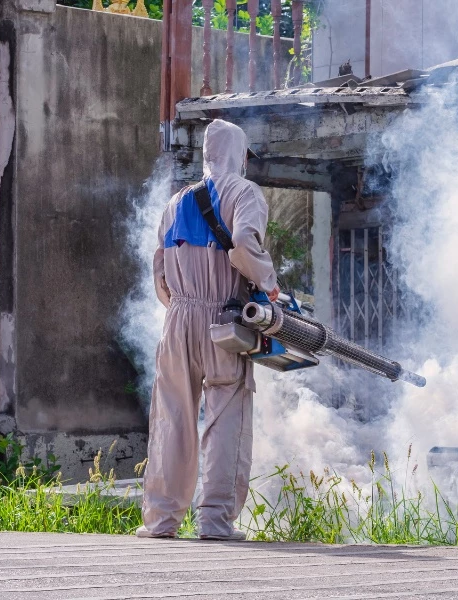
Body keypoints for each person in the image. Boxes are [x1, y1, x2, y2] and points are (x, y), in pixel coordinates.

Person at [138, 119, 279, 540]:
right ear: (239, 154)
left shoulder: (175, 203)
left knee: (172, 418)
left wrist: (180, 308)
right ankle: (215, 522)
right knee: (225, 418)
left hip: (177, 319)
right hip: (223, 319)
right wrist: (268, 284)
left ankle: (162, 521)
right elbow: (245, 243)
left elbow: (159, 271)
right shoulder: (244, 192)